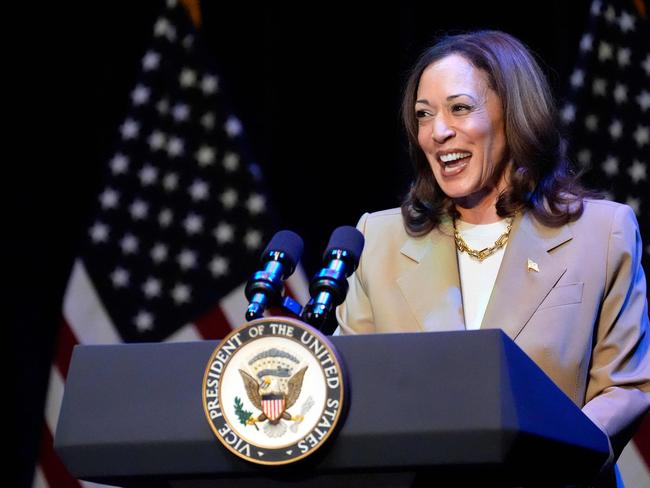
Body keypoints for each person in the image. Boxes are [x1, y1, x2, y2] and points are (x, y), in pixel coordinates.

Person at [335, 30, 649, 486]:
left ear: (513, 115)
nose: (438, 132)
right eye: (424, 115)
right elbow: (353, 383)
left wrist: (547, 461)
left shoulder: (600, 233)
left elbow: (625, 386)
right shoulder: (379, 238)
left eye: (459, 109)